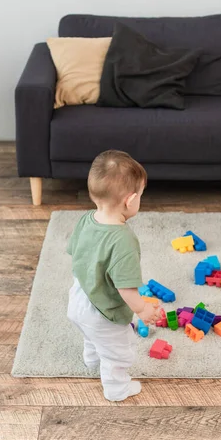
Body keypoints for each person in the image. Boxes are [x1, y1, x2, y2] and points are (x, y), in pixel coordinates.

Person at [67, 149, 160, 402]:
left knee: (91, 336)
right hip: (104, 313)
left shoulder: (86, 219)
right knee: (119, 353)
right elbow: (125, 288)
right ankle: (117, 388)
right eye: (141, 195)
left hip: (78, 299)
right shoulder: (124, 241)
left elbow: (74, 253)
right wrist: (142, 310)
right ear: (130, 201)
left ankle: (91, 359)